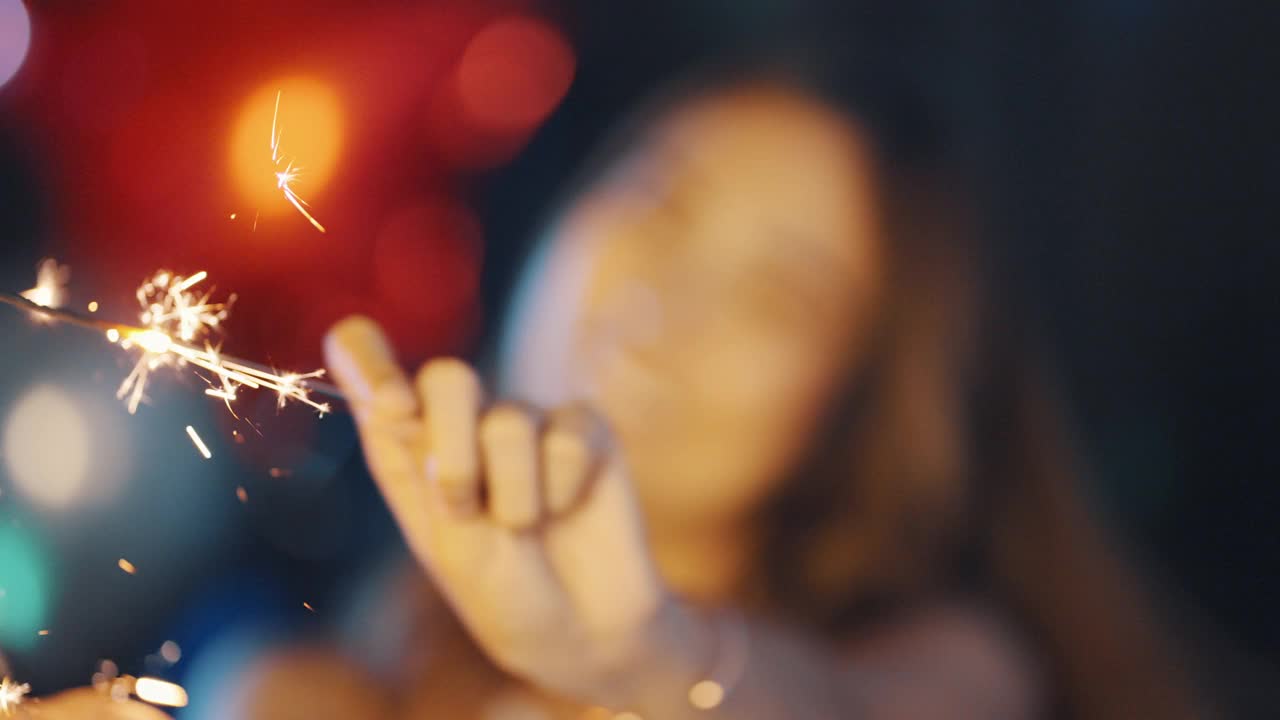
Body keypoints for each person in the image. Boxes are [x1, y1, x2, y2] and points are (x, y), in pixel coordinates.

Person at [318, 55, 1207, 719]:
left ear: (852, 404)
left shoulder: (955, 664)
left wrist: (644, 658)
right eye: (661, 203)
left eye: (776, 297)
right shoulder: (348, 642)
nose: (671, 300)